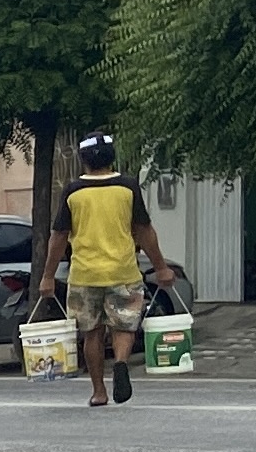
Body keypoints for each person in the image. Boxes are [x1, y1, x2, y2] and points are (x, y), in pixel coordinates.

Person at [34, 135, 172, 407]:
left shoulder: (73, 191)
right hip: (124, 272)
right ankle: (120, 363)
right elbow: (144, 230)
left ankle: (99, 391)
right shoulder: (127, 187)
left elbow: (59, 236)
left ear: (83, 159)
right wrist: (161, 267)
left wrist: (48, 276)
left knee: (92, 333)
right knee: (124, 326)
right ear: (112, 157)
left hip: (84, 276)